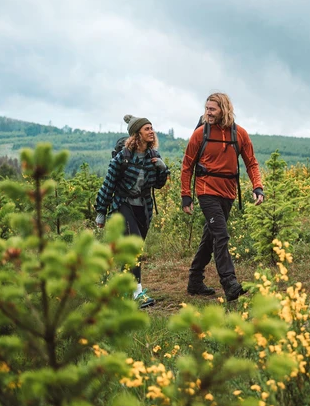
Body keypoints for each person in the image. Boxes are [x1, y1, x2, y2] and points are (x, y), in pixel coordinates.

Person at [181, 92, 264, 301]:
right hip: (206, 189)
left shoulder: (240, 134)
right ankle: (230, 283)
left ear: (223, 110)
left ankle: (195, 281)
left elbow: (251, 162)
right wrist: (186, 196)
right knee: (221, 234)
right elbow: (187, 165)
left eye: (212, 109)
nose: (207, 113)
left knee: (210, 237)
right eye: (206, 108)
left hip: (228, 192)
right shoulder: (200, 134)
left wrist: (258, 187)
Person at [95, 114, 170, 309]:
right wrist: (101, 211)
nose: (151, 131)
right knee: (134, 247)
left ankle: (120, 289)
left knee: (131, 252)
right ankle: (138, 293)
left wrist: (162, 169)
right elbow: (108, 184)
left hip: (143, 208)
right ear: (137, 134)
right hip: (123, 205)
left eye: (152, 128)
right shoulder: (123, 158)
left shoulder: (153, 157)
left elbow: (159, 185)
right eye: (147, 129)